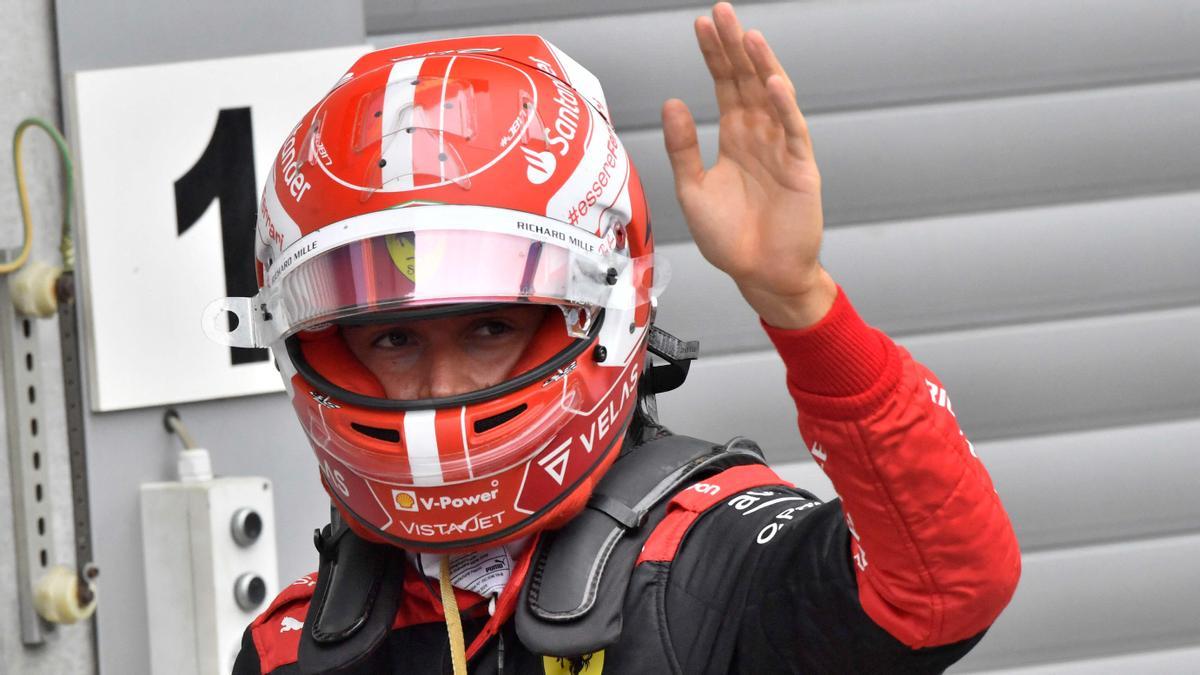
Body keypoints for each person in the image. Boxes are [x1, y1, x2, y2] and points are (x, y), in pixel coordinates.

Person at [216, 3, 1020, 673]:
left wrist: (800, 302)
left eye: (490, 327)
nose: (440, 386)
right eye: (394, 339)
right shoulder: (291, 646)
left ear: (599, 314)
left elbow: (946, 585)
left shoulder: (714, 568)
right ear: (316, 347)